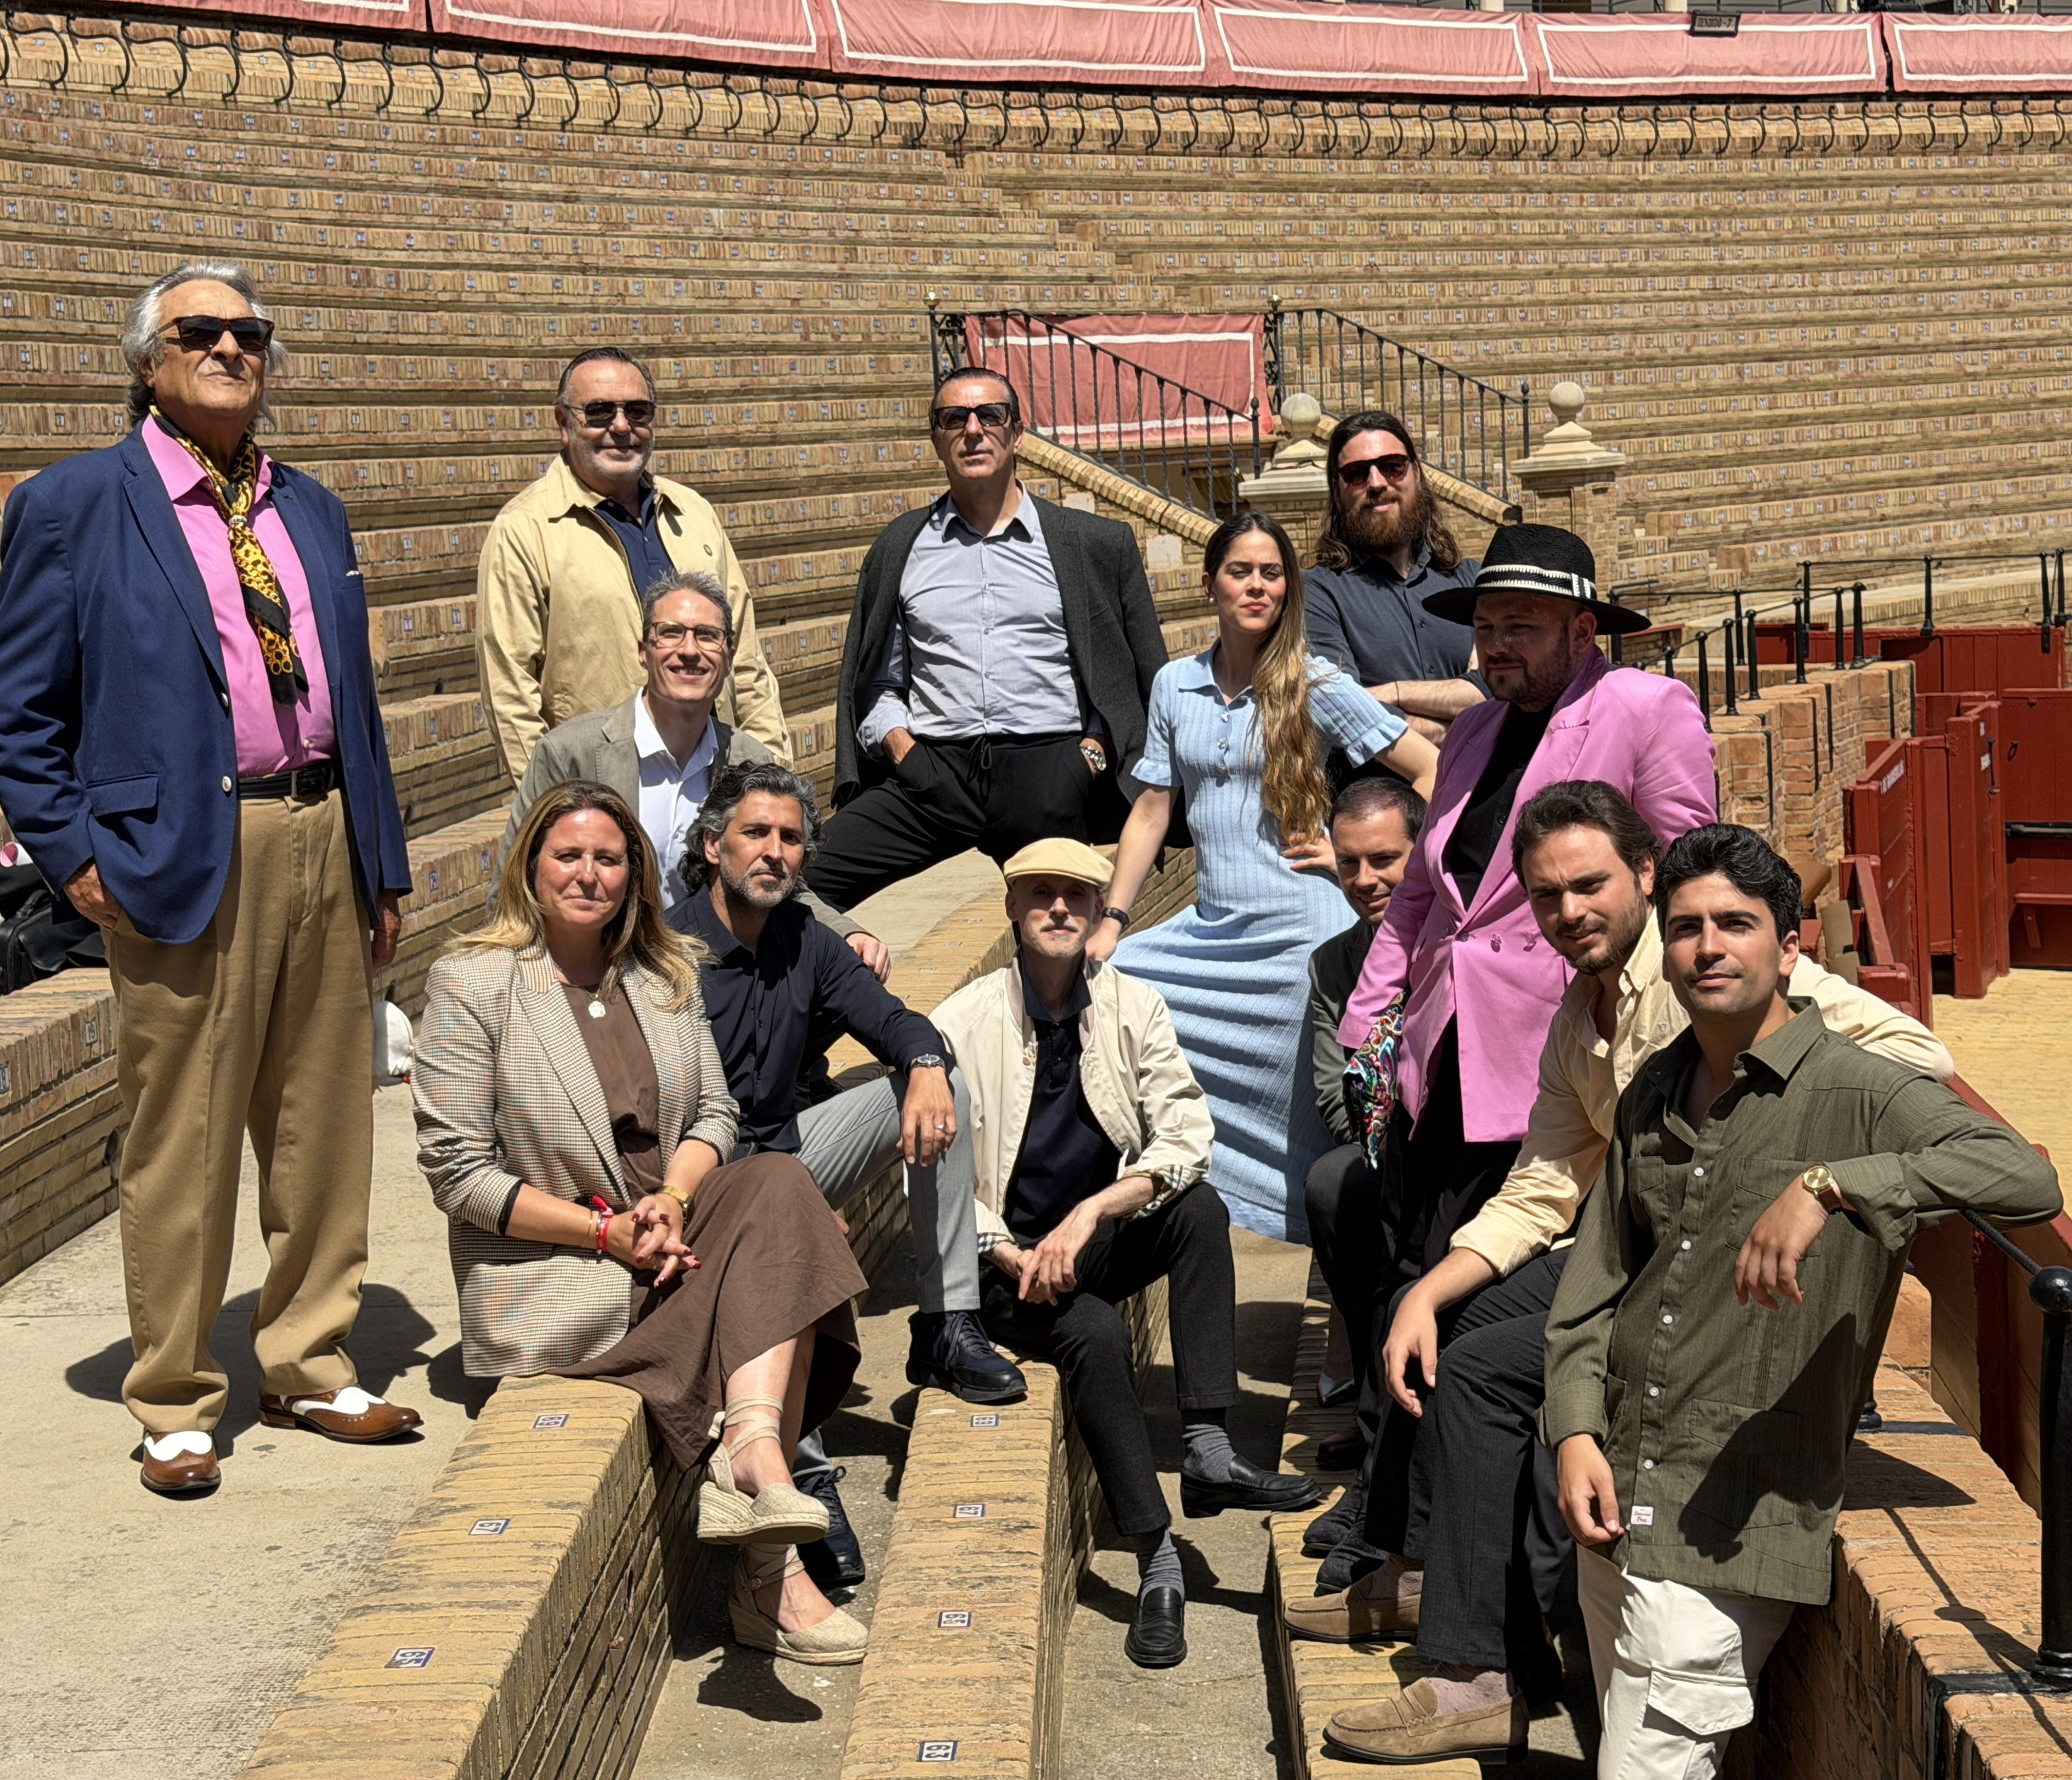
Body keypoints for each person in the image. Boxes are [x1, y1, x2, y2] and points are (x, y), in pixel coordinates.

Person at [1295, 787, 1954, 1767]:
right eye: (1548, 893)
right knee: (1429, 1307)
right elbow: (1546, 1180)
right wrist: (1429, 1288)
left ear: (1643, 874)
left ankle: (1480, 1671)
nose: (1569, 911)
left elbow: (1916, 1055)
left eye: (1590, 884)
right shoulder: (1581, 1011)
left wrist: (1797, 1173)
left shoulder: (1702, 964)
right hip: (1620, 1251)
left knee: (1482, 1370)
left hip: (1712, 1293)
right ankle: (1438, 1569)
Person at [0, 261, 421, 1496]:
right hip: (180, 847)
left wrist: (380, 857)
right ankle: (174, 1394)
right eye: (201, 331)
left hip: (319, 826)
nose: (230, 347)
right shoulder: (79, 504)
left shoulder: (314, 509)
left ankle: (308, 1354)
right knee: (181, 1134)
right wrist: (73, 859)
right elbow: (20, 711)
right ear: (149, 359)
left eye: (249, 332)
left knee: (323, 1125)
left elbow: (360, 706)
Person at [1543, 824, 2058, 1780]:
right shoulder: (1655, 1084)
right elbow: (1591, 1290)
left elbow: (2018, 1179)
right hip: (1616, 1499)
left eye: (1734, 923)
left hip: (1726, 1530)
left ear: (1787, 946)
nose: (1706, 945)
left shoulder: (1858, 1087)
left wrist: (1827, 1184)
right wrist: (1573, 1428)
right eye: (1685, 924)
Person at [1317, 523, 1714, 1578]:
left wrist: (1628, 1014)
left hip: (1555, 1053)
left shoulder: (1642, 708)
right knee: (1412, 1262)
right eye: (1485, 624)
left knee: (1478, 1298)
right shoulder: (1472, 732)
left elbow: (1679, 866)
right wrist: (1369, 1014)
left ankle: (1428, 1546)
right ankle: (1392, 1523)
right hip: (1443, 1050)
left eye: (1520, 626)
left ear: (1581, 628)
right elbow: (1417, 896)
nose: (1495, 644)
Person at [412, 780, 871, 1666]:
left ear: (636, 873)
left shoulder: (663, 972)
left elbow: (714, 1113)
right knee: (778, 1260)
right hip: (560, 1263)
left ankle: (750, 1454)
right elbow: (458, 1173)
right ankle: (769, 1561)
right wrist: (606, 1232)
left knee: (779, 1181)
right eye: (569, 854)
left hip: (668, 1231)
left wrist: (673, 1200)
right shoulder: (471, 983)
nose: (589, 873)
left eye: (609, 857)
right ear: (530, 866)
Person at [929, 838, 1326, 1671]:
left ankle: (1209, 1447)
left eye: (1077, 894)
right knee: (1098, 1335)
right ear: (1011, 907)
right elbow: (933, 1182)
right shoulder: (956, 1024)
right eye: (1040, 893)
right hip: (1005, 1267)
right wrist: (1012, 1253)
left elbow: (1187, 1134)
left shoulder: (1131, 1004)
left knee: (1199, 1209)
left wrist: (1093, 1212)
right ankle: (1156, 1556)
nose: (1060, 908)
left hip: (1089, 1237)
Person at [671, 760, 1027, 1588]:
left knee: (937, 1078)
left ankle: (947, 1324)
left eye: (790, 837)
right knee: (784, 1251)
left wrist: (928, 1061)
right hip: (706, 1177)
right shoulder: (670, 952)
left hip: (788, 1146)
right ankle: (802, 1473)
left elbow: (894, 1020)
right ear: (711, 843)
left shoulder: (807, 939)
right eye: (754, 833)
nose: (773, 852)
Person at [1087, 511, 1438, 1242]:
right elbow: (1153, 809)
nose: (1256, 585)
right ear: (1210, 582)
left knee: (1315, 1105)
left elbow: (1430, 769)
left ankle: (1345, 1259)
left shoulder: (1313, 681)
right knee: (1106, 986)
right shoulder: (1173, 685)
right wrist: (1113, 920)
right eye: (1240, 570)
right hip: (1209, 928)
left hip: (1301, 926)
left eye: (1271, 572)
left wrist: (1375, 867)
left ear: (1287, 588)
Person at [808, 365, 1171, 910]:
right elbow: (877, 678)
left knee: (1059, 943)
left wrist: (1090, 755)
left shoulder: (1093, 543)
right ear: (936, 438)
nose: (972, 430)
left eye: (990, 415)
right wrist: (903, 751)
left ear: (1017, 432)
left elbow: (1138, 674)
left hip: (1051, 769)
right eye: (953, 418)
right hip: (933, 774)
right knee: (800, 878)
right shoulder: (900, 547)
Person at [506, 568, 886, 978]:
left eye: (707, 635)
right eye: (671, 633)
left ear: (729, 654)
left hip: (707, 976)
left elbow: (781, 879)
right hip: (591, 971)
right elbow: (514, 886)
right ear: (643, 650)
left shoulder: (750, 762)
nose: (689, 650)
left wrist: (848, 933)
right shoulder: (569, 754)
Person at [476, 347, 788, 787]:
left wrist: (770, 780)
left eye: (637, 411)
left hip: (718, 781)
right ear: (564, 424)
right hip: (606, 791)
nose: (621, 427)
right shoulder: (525, 531)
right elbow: (510, 691)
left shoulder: (693, 513)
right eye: (599, 412)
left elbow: (747, 660)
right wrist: (556, 809)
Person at [1300, 775, 1427, 1463]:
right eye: (1347, 862)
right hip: (1384, 1147)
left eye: (1383, 859)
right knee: (1331, 1183)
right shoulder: (1333, 963)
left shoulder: (1458, 938)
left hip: (1465, 1152)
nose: (1364, 878)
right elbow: (1332, 1093)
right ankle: (1378, 1406)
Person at [1303, 410, 1485, 748]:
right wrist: (1472, 717)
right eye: (1356, 474)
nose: (1376, 483)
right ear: (1337, 490)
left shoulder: (1472, 581)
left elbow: (1504, 693)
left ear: (1416, 473)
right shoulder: (1317, 594)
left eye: (1392, 466)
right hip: (1385, 797)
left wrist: (1392, 694)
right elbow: (1345, 716)